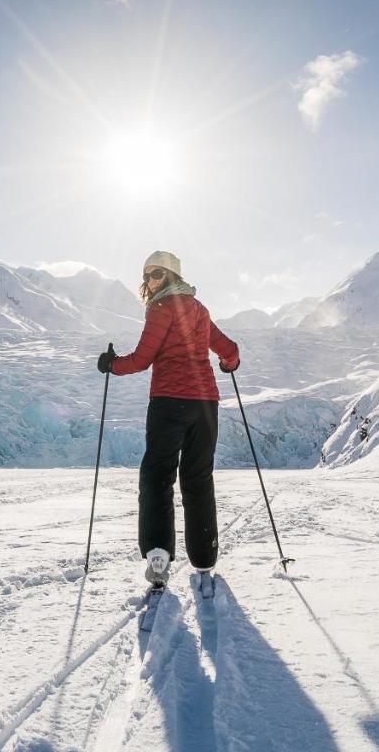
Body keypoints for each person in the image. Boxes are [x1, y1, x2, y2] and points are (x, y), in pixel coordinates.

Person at [98, 251, 239, 586]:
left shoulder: (161, 308)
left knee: (157, 476)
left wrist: (111, 365)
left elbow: (143, 359)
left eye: (158, 274)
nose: (151, 281)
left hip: (168, 403)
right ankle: (204, 560)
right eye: (148, 275)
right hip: (205, 406)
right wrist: (228, 364)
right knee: (198, 478)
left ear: (172, 276)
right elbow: (228, 349)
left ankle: (159, 559)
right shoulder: (200, 309)